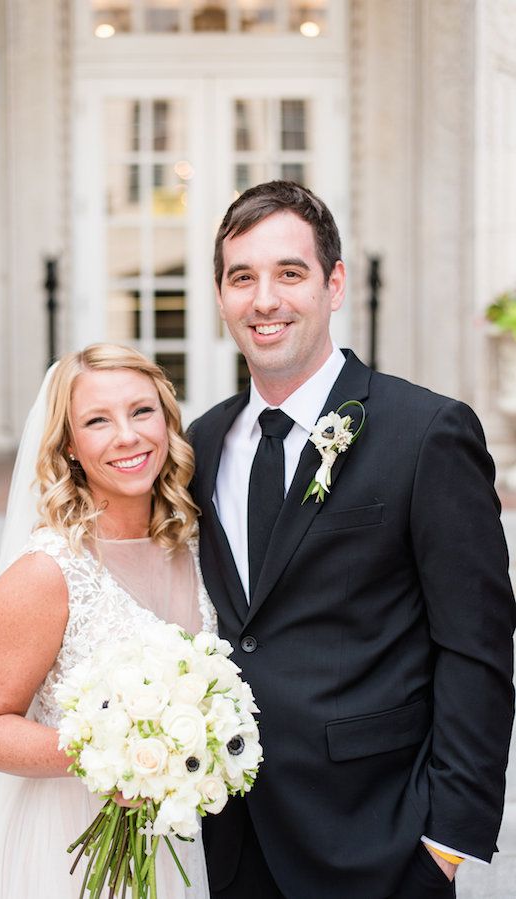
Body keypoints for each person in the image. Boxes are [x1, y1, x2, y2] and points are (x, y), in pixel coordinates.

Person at [190, 181, 516, 899]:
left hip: (381, 839)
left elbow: (478, 644)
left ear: (334, 284)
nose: (264, 299)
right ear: (220, 297)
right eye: (242, 277)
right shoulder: (202, 442)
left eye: (289, 273)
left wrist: (447, 838)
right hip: (234, 836)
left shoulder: (426, 432)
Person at [0, 344, 215, 899]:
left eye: (142, 411)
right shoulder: (47, 572)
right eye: (97, 421)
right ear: (69, 445)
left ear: (167, 420)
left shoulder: (199, 546)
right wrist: (118, 756)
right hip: (69, 846)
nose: (128, 436)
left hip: (182, 839)